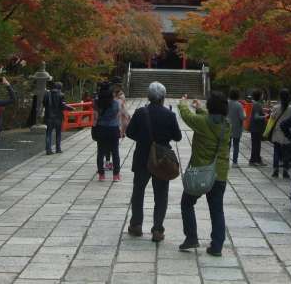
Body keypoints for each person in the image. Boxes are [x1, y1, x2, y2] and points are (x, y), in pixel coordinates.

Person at [125, 81, 182, 242]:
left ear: (149, 97)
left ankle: (136, 225)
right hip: (162, 160)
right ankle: (157, 229)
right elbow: (178, 136)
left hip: (142, 157)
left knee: (138, 192)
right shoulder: (169, 115)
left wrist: (143, 140)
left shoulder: (140, 112)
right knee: (161, 195)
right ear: (163, 97)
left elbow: (129, 133)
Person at [178, 91, 231, 257]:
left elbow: (187, 117)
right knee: (217, 210)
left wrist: (182, 103)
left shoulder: (202, 122)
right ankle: (216, 246)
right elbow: (210, 121)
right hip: (220, 173)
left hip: (200, 173)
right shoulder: (226, 124)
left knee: (187, 203)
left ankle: (192, 237)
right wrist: (199, 108)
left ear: (210, 106)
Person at [94, 82, 121, 181]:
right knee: (115, 152)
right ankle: (116, 176)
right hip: (113, 129)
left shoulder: (96, 102)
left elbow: (96, 117)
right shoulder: (116, 103)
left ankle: (101, 175)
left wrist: (94, 126)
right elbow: (117, 117)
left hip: (101, 128)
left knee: (100, 152)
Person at [269, 89, 291, 179]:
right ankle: (285, 171)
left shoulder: (275, 107)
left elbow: (272, 118)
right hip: (288, 132)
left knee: (276, 151)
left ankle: (275, 170)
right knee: (286, 153)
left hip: (277, 131)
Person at [43, 81, 71, 154]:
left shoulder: (47, 94)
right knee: (58, 133)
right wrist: (70, 108)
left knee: (48, 133)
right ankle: (58, 149)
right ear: (60, 87)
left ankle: (48, 150)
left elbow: (44, 104)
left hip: (49, 116)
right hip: (58, 117)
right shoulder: (61, 95)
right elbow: (62, 106)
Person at [227, 89, 245, 166]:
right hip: (237, 128)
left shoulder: (226, 103)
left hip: (227, 127)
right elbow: (242, 117)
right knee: (236, 145)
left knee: (227, 145)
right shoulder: (239, 105)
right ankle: (235, 162)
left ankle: (225, 160)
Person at [248, 89, 266, 166]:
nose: (263, 96)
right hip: (256, 128)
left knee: (256, 144)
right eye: (262, 94)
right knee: (256, 144)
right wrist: (265, 116)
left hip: (255, 127)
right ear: (259, 96)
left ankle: (255, 159)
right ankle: (255, 160)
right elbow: (256, 117)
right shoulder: (257, 105)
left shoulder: (256, 104)